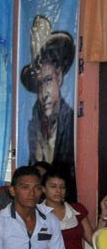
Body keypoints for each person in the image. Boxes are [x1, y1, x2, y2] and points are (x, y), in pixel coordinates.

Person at [22, 16, 76, 197]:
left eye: (48, 81)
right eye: (39, 85)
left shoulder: (70, 122)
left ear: (59, 77)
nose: (44, 93)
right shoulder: (33, 125)